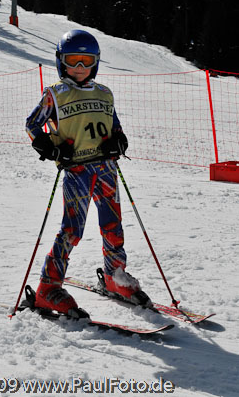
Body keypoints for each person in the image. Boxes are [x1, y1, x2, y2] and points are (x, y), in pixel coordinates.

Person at [26, 29, 151, 317]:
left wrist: (118, 141)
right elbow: (33, 125)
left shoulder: (104, 93)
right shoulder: (54, 95)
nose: (80, 68)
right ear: (61, 62)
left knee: (113, 225)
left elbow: (114, 126)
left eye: (86, 61)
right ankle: (49, 287)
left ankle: (115, 276)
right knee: (72, 230)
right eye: (73, 61)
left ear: (95, 62)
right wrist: (49, 146)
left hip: (106, 169)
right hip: (77, 170)